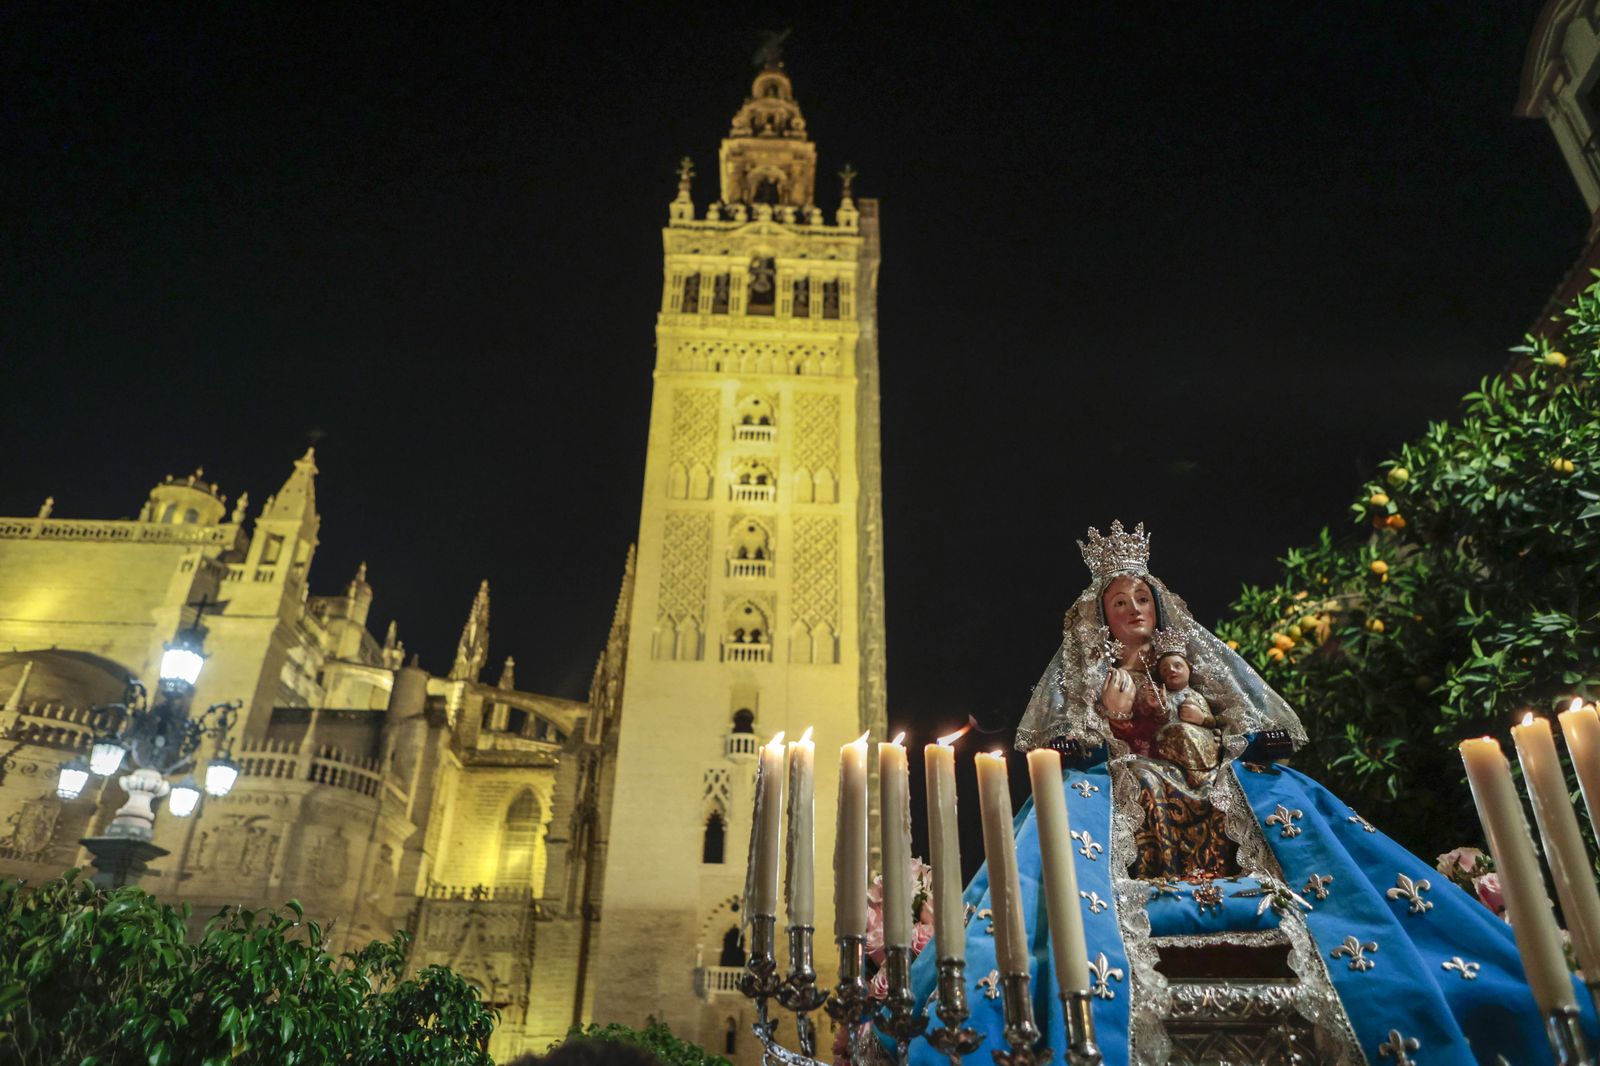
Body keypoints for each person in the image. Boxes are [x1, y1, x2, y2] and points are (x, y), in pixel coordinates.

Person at [885, 521, 1600, 1066]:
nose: (1133, 608)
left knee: (1290, 802)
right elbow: (1074, 733)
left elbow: (1234, 713)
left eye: (1141, 597)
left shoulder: (1184, 659)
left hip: (1208, 773)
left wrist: (1211, 724)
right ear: (1100, 615)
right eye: (1119, 602)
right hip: (1128, 783)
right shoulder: (1093, 672)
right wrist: (1114, 721)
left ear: (1158, 605)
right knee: (1067, 816)